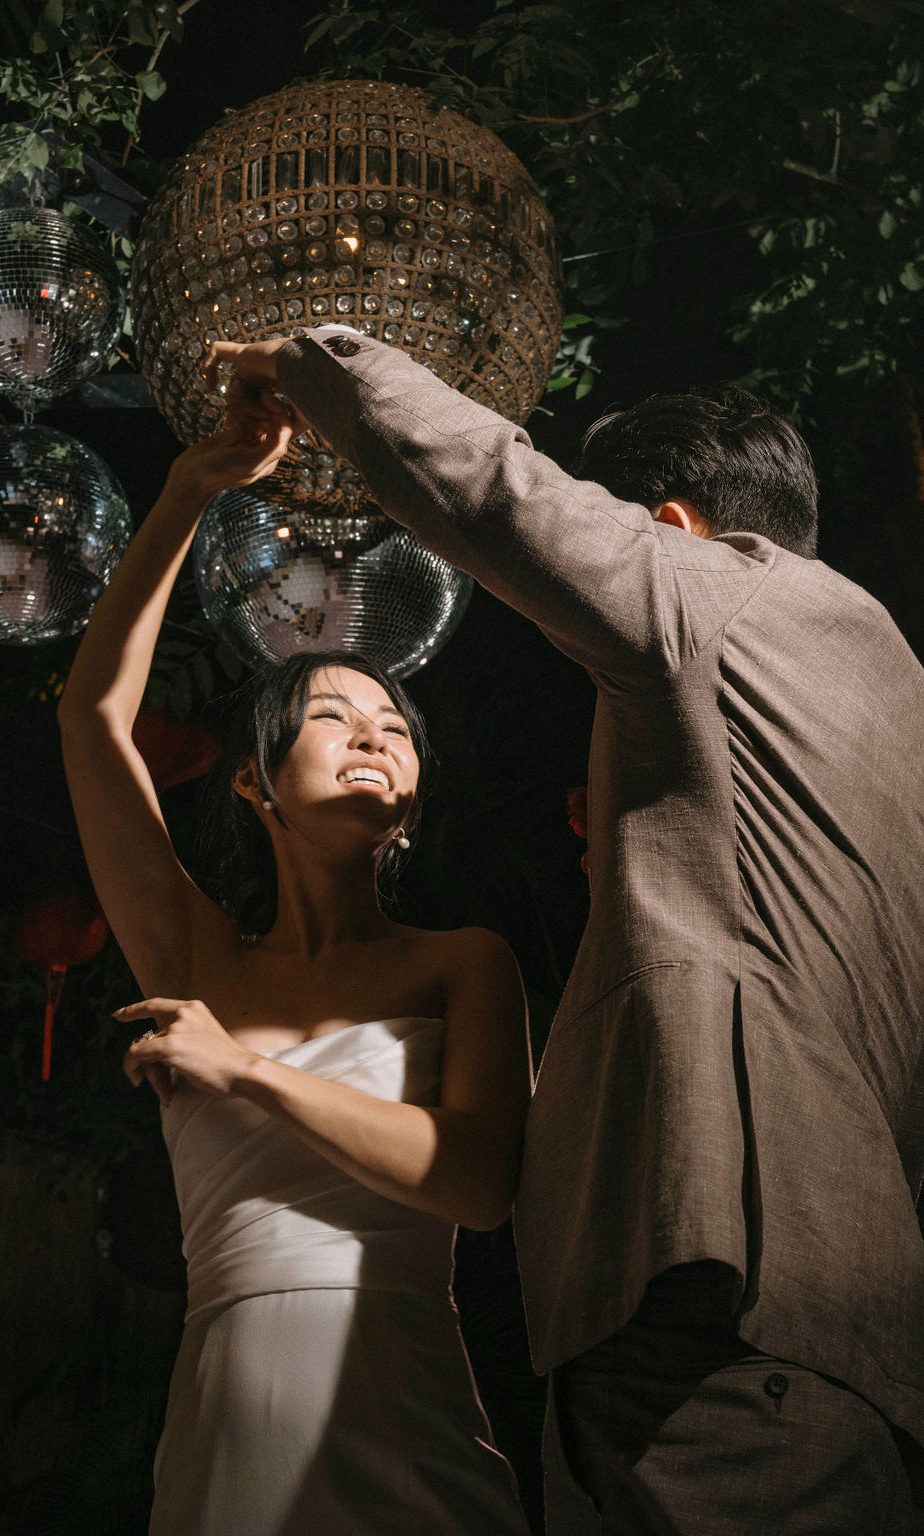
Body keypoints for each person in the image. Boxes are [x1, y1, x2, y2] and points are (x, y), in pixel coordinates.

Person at [206, 327, 924, 1534]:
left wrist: (317, 363)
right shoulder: (892, 691)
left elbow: (501, 492)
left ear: (674, 527)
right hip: (854, 1319)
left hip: (708, 1283)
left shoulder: (711, 588)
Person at [56, 403, 533, 1535]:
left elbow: (478, 1184)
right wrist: (188, 490)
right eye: (332, 716)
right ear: (253, 782)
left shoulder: (465, 964)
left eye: (395, 728)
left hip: (400, 1398)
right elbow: (91, 718)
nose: (373, 735)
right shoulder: (195, 956)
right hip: (227, 1414)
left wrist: (246, 1071)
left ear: (411, 801)